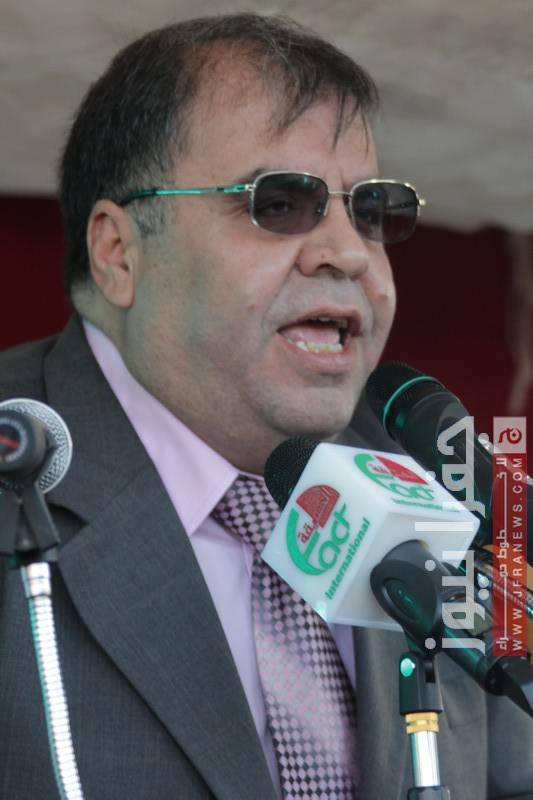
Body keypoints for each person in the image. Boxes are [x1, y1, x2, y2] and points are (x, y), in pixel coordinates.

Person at [0, 13, 531, 800]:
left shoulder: (442, 487)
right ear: (118, 252)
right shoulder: (17, 467)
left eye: (370, 212)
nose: (348, 254)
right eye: (279, 203)